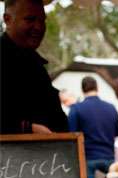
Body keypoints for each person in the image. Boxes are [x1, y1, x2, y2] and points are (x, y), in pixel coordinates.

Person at [0, 0, 68, 134]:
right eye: (30, 19)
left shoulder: (37, 65)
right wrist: (27, 128)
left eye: (42, 20)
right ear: (7, 19)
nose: (38, 27)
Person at [68, 76, 118, 178]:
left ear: (82, 89)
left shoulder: (76, 109)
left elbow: (71, 135)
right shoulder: (111, 108)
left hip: (89, 158)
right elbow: (117, 133)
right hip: (109, 158)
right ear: (97, 87)